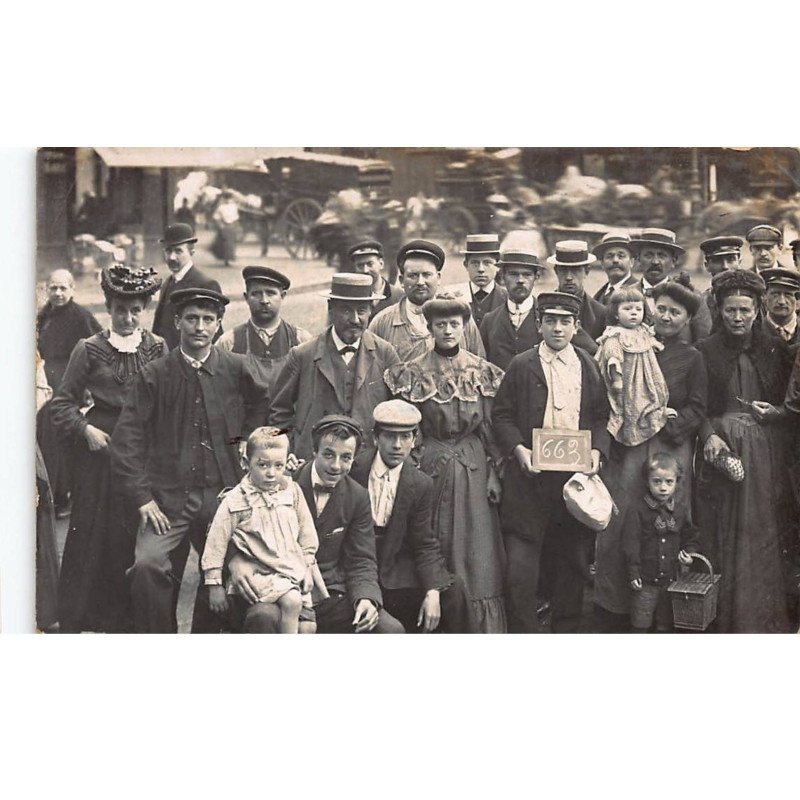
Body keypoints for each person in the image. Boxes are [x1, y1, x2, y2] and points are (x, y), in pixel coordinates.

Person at [111, 286, 269, 633]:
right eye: (192, 319)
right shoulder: (154, 375)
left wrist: (240, 440)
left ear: (218, 325)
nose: (200, 327)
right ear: (177, 321)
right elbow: (127, 442)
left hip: (222, 497)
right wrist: (144, 498)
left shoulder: (235, 368)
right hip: (168, 501)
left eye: (208, 320)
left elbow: (262, 406)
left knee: (236, 568)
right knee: (148, 566)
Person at [50, 265, 167, 632]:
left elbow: (166, 401)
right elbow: (60, 405)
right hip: (100, 455)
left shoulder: (158, 346)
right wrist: (85, 429)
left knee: (134, 538)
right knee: (94, 536)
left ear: (145, 307)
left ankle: (131, 623)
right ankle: (89, 620)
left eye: (135, 310)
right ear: (107, 307)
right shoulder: (89, 348)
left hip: (142, 456)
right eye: (120, 309)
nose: (128, 318)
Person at [384, 293, 507, 633]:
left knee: (476, 550)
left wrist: (495, 473)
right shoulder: (414, 371)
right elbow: (410, 429)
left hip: (474, 467)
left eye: (455, 324)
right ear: (430, 327)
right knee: (433, 539)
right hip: (432, 466)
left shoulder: (481, 372)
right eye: (441, 325)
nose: (448, 331)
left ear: (465, 327)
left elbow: (488, 428)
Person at [593, 277, 707, 632]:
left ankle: (664, 612)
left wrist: (667, 425)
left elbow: (698, 407)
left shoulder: (691, 357)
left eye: (676, 313)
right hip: (629, 447)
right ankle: (616, 607)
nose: (667, 317)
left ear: (687, 319)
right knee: (623, 521)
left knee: (664, 522)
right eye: (661, 310)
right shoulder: (630, 342)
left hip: (668, 449)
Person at [493, 292, 610, 633]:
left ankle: (565, 632)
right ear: (539, 324)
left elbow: (602, 416)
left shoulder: (588, 365)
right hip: (530, 482)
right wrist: (519, 450)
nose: (557, 328)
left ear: (576, 326)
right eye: (550, 321)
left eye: (565, 322)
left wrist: (596, 453)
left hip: (572, 485)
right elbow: (501, 415)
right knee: (521, 571)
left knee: (572, 565)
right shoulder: (521, 364)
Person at [227, 416, 405, 633]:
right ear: (314, 452)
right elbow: (228, 522)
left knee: (390, 630)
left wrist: (366, 598)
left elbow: (362, 558)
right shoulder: (278, 481)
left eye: (346, 457)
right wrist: (234, 560)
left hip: (327, 592)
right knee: (263, 617)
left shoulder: (357, 496)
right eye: (328, 454)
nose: (335, 466)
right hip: (277, 588)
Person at [694, 269, 795, 632]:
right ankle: (728, 620)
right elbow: (697, 407)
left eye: (745, 311)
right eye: (730, 310)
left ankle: (764, 619)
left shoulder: (774, 349)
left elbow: (789, 405)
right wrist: (709, 437)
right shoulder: (705, 351)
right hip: (724, 453)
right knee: (725, 530)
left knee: (764, 531)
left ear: (758, 310)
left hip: (766, 453)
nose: (738, 318)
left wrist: (776, 415)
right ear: (719, 311)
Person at [349, 400, 466, 633]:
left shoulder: (420, 483)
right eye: (390, 437)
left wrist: (433, 591)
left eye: (405, 437)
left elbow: (424, 542)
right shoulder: (355, 468)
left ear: (414, 440)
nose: (397, 445)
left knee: (453, 592)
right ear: (375, 438)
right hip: (357, 559)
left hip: (396, 562)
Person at [202, 427, 323, 634]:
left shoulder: (291, 492)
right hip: (259, 572)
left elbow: (306, 534)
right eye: (263, 465)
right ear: (245, 463)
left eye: (278, 466)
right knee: (292, 602)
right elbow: (216, 542)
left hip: (291, 570)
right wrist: (214, 585)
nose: (271, 473)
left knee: (308, 627)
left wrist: (308, 565)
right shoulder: (237, 500)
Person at [270, 273, 399, 465]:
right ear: (331, 308)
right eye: (346, 310)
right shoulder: (303, 355)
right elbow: (279, 411)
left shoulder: (385, 353)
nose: (355, 319)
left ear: (371, 311)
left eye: (362, 310)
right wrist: (287, 450)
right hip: (314, 462)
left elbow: (398, 410)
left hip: (366, 463)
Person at [36, 268, 102, 516]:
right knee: (44, 438)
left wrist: (87, 385)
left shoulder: (80, 316)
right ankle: (52, 493)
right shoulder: (44, 315)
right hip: (45, 384)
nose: (58, 292)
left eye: (63, 288)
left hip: (68, 386)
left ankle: (61, 497)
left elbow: (99, 348)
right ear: (46, 289)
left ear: (73, 289)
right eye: (53, 287)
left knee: (57, 438)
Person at [369, 239, 485, 361]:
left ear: (438, 278)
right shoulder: (382, 323)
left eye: (427, 275)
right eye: (413, 275)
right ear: (402, 280)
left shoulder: (460, 316)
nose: (420, 282)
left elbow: (479, 365)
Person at [622, 452, 699, 633]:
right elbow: (630, 544)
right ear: (647, 482)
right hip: (645, 581)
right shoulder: (638, 510)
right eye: (657, 481)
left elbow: (691, 537)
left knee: (665, 624)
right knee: (641, 623)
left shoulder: (680, 511)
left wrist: (690, 555)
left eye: (669, 482)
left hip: (671, 581)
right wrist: (634, 573)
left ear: (676, 482)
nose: (663, 488)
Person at [594, 286, 670, 447]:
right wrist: (616, 379)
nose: (634, 313)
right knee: (627, 403)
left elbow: (650, 342)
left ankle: (654, 413)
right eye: (627, 309)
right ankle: (627, 430)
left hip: (645, 374)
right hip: (627, 378)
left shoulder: (643, 331)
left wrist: (655, 345)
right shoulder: (614, 334)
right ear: (616, 313)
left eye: (638, 309)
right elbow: (612, 356)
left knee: (650, 394)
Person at [217, 266, 311, 394]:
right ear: (246, 297)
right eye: (256, 293)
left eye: (271, 293)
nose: (264, 300)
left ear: (282, 296)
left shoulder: (302, 340)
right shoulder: (229, 342)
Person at [630, 228, 712, 344]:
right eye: (648, 255)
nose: (655, 262)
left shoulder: (691, 297)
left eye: (662, 256)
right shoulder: (625, 295)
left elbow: (703, 340)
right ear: (638, 259)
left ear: (674, 261)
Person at [152, 223, 222, 350]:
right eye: (168, 251)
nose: (172, 257)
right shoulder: (168, 283)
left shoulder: (206, 284)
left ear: (191, 252)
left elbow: (214, 335)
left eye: (178, 251)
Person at [480, 250, 544, 371]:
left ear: (536, 278)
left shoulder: (547, 317)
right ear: (503, 276)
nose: (520, 280)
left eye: (527, 275)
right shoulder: (489, 320)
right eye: (513, 274)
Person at [546, 240, 607, 355]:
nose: (569, 277)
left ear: (587, 271)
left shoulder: (600, 313)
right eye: (563, 270)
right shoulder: (541, 308)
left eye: (575, 270)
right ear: (556, 271)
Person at [454, 234, 507, 329]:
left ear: (498, 266)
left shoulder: (508, 299)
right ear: (466, 265)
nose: (481, 269)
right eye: (475, 263)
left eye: (487, 263)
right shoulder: (454, 297)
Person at [699, 235, 745, 332]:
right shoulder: (700, 303)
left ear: (739, 262)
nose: (725, 266)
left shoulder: (753, 300)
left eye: (731, 259)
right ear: (707, 266)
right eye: (717, 261)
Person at [347, 240, 403, 320]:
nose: (365, 270)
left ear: (381, 264)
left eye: (370, 264)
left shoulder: (399, 296)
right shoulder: (349, 297)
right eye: (360, 265)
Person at [591, 231, 638, 306]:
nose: (615, 260)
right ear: (602, 263)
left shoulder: (639, 292)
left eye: (621, 256)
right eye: (609, 256)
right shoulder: (599, 295)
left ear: (631, 262)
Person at [759, 267, 800, 345]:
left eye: (788, 295)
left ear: (797, 299)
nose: (781, 301)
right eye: (775, 294)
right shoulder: (753, 333)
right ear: (764, 297)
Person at [211, 191, 240, 266]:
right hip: (224, 225)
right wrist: (220, 225)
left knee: (232, 242)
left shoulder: (234, 206)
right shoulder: (221, 207)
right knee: (225, 243)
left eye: (229, 198)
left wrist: (236, 226)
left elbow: (236, 218)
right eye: (226, 198)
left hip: (232, 226)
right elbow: (216, 217)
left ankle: (230, 257)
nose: (228, 200)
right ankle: (226, 259)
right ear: (224, 199)